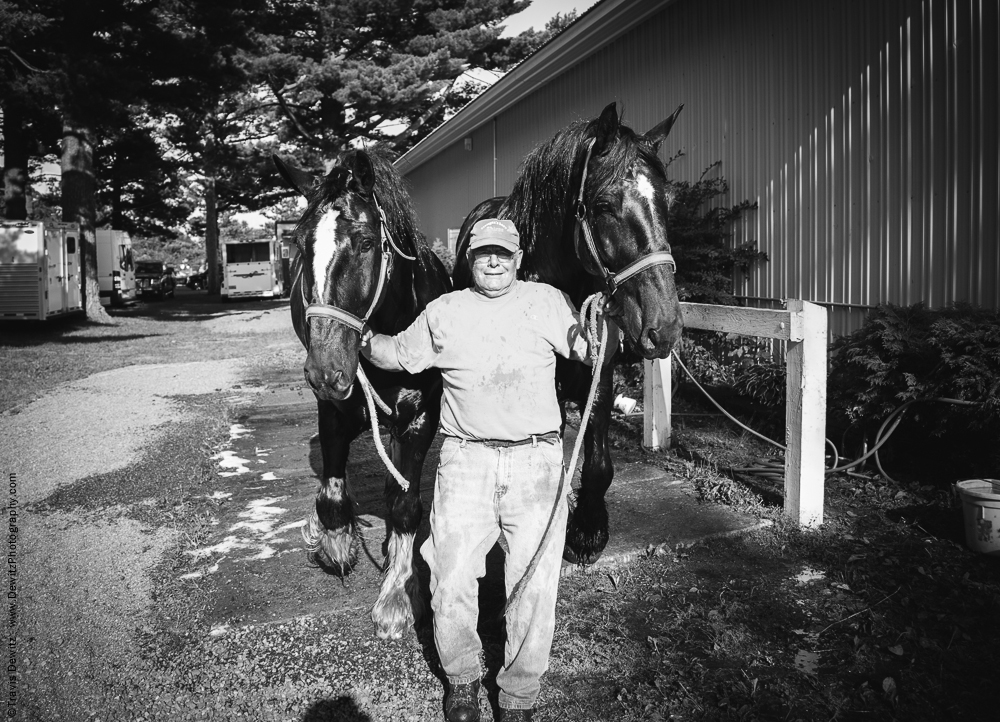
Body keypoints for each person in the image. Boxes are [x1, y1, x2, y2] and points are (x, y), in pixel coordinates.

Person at [362, 218, 617, 722]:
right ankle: (461, 679)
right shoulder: (445, 311)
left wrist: (607, 326)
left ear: (519, 259)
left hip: (537, 462)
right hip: (465, 461)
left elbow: (591, 352)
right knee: (451, 574)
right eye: (484, 255)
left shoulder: (548, 302)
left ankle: (519, 695)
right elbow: (396, 355)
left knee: (535, 581)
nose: (495, 262)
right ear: (469, 261)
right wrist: (359, 337)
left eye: (503, 253)